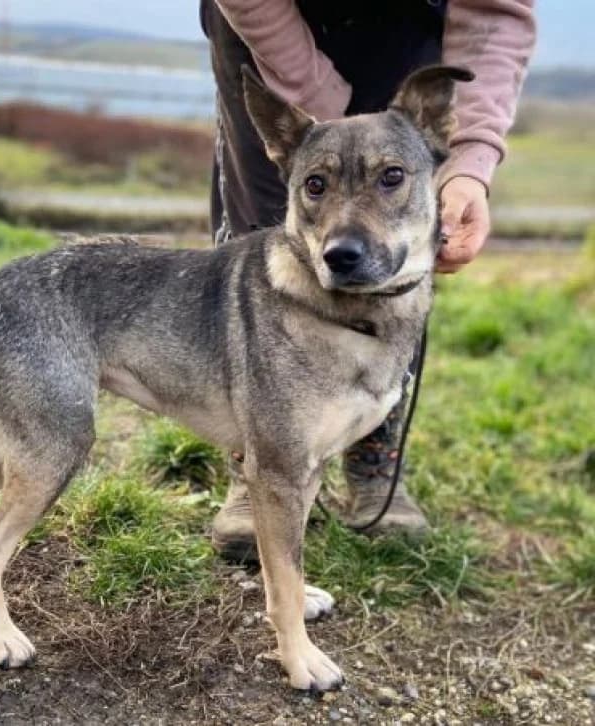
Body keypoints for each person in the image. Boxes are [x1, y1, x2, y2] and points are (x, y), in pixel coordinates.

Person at [200, 0, 536, 561]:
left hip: (405, 27)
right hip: (266, 23)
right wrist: (322, 125)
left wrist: (469, 165)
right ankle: (261, 460)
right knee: (261, 233)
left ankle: (372, 450)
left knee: (393, 255)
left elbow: (495, 12)